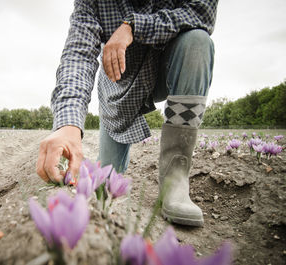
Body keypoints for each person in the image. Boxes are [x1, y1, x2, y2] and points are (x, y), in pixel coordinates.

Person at [36, 0, 218, 227]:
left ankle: (174, 182)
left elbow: (201, 13)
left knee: (197, 42)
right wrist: (68, 124)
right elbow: (78, 55)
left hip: (168, 64)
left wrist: (133, 26)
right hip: (118, 87)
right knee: (106, 179)